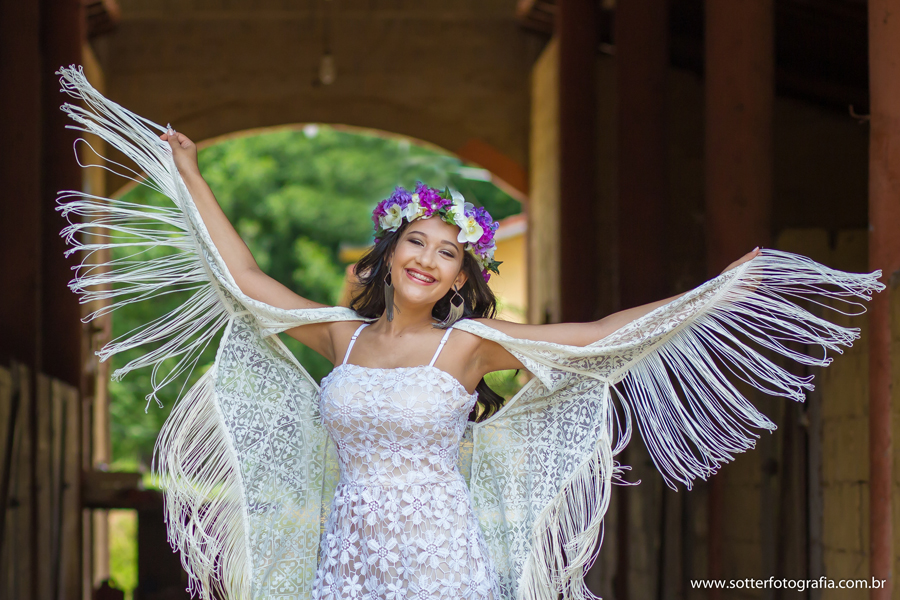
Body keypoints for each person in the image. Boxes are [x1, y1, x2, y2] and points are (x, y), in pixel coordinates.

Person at [57, 66, 883, 600]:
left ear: (461, 278)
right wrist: (191, 176)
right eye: (415, 242)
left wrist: (710, 295)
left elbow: (597, 333)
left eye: (447, 253)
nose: (427, 258)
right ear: (390, 255)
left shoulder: (471, 345)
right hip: (349, 556)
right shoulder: (342, 338)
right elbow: (245, 281)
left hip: (441, 559)